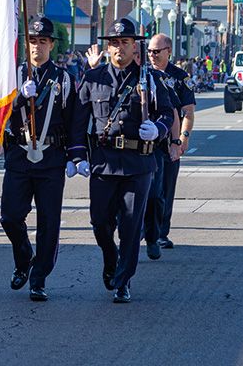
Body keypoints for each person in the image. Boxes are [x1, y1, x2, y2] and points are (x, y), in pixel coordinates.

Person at [68, 18, 174, 303]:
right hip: (103, 162)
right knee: (99, 221)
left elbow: (166, 112)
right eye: (114, 43)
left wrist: (159, 129)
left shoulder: (149, 79)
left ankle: (124, 280)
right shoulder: (93, 78)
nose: (118, 48)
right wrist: (77, 155)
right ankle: (110, 257)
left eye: (124, 42)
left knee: (130, 225)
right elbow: (79, 121)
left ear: (134, 46)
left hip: (137, 163)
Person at [0, 17, 75, 301]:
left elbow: (73, 121)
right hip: (19, 155)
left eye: (43, 41)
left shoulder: (63, 78)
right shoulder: (12, 76)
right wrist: (19, 96)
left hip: (51, 158)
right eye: (33, 40)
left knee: (49, 222)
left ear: (51, 45)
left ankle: (39, 277)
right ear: (25, 43)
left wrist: (74, 155)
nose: (37, 46)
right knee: (9, 216)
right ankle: (23, 257)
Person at [147, 34, 196, 251]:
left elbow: (187, 112)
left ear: (168, 51)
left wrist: (182, 139)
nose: (152, 55)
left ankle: (161, 233)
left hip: (169, 142)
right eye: (149, 51)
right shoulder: (144, 73)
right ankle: (145, 230)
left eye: (156, 51)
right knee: (149, 190)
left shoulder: (179, 77)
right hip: (147, 142)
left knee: (165, 189)